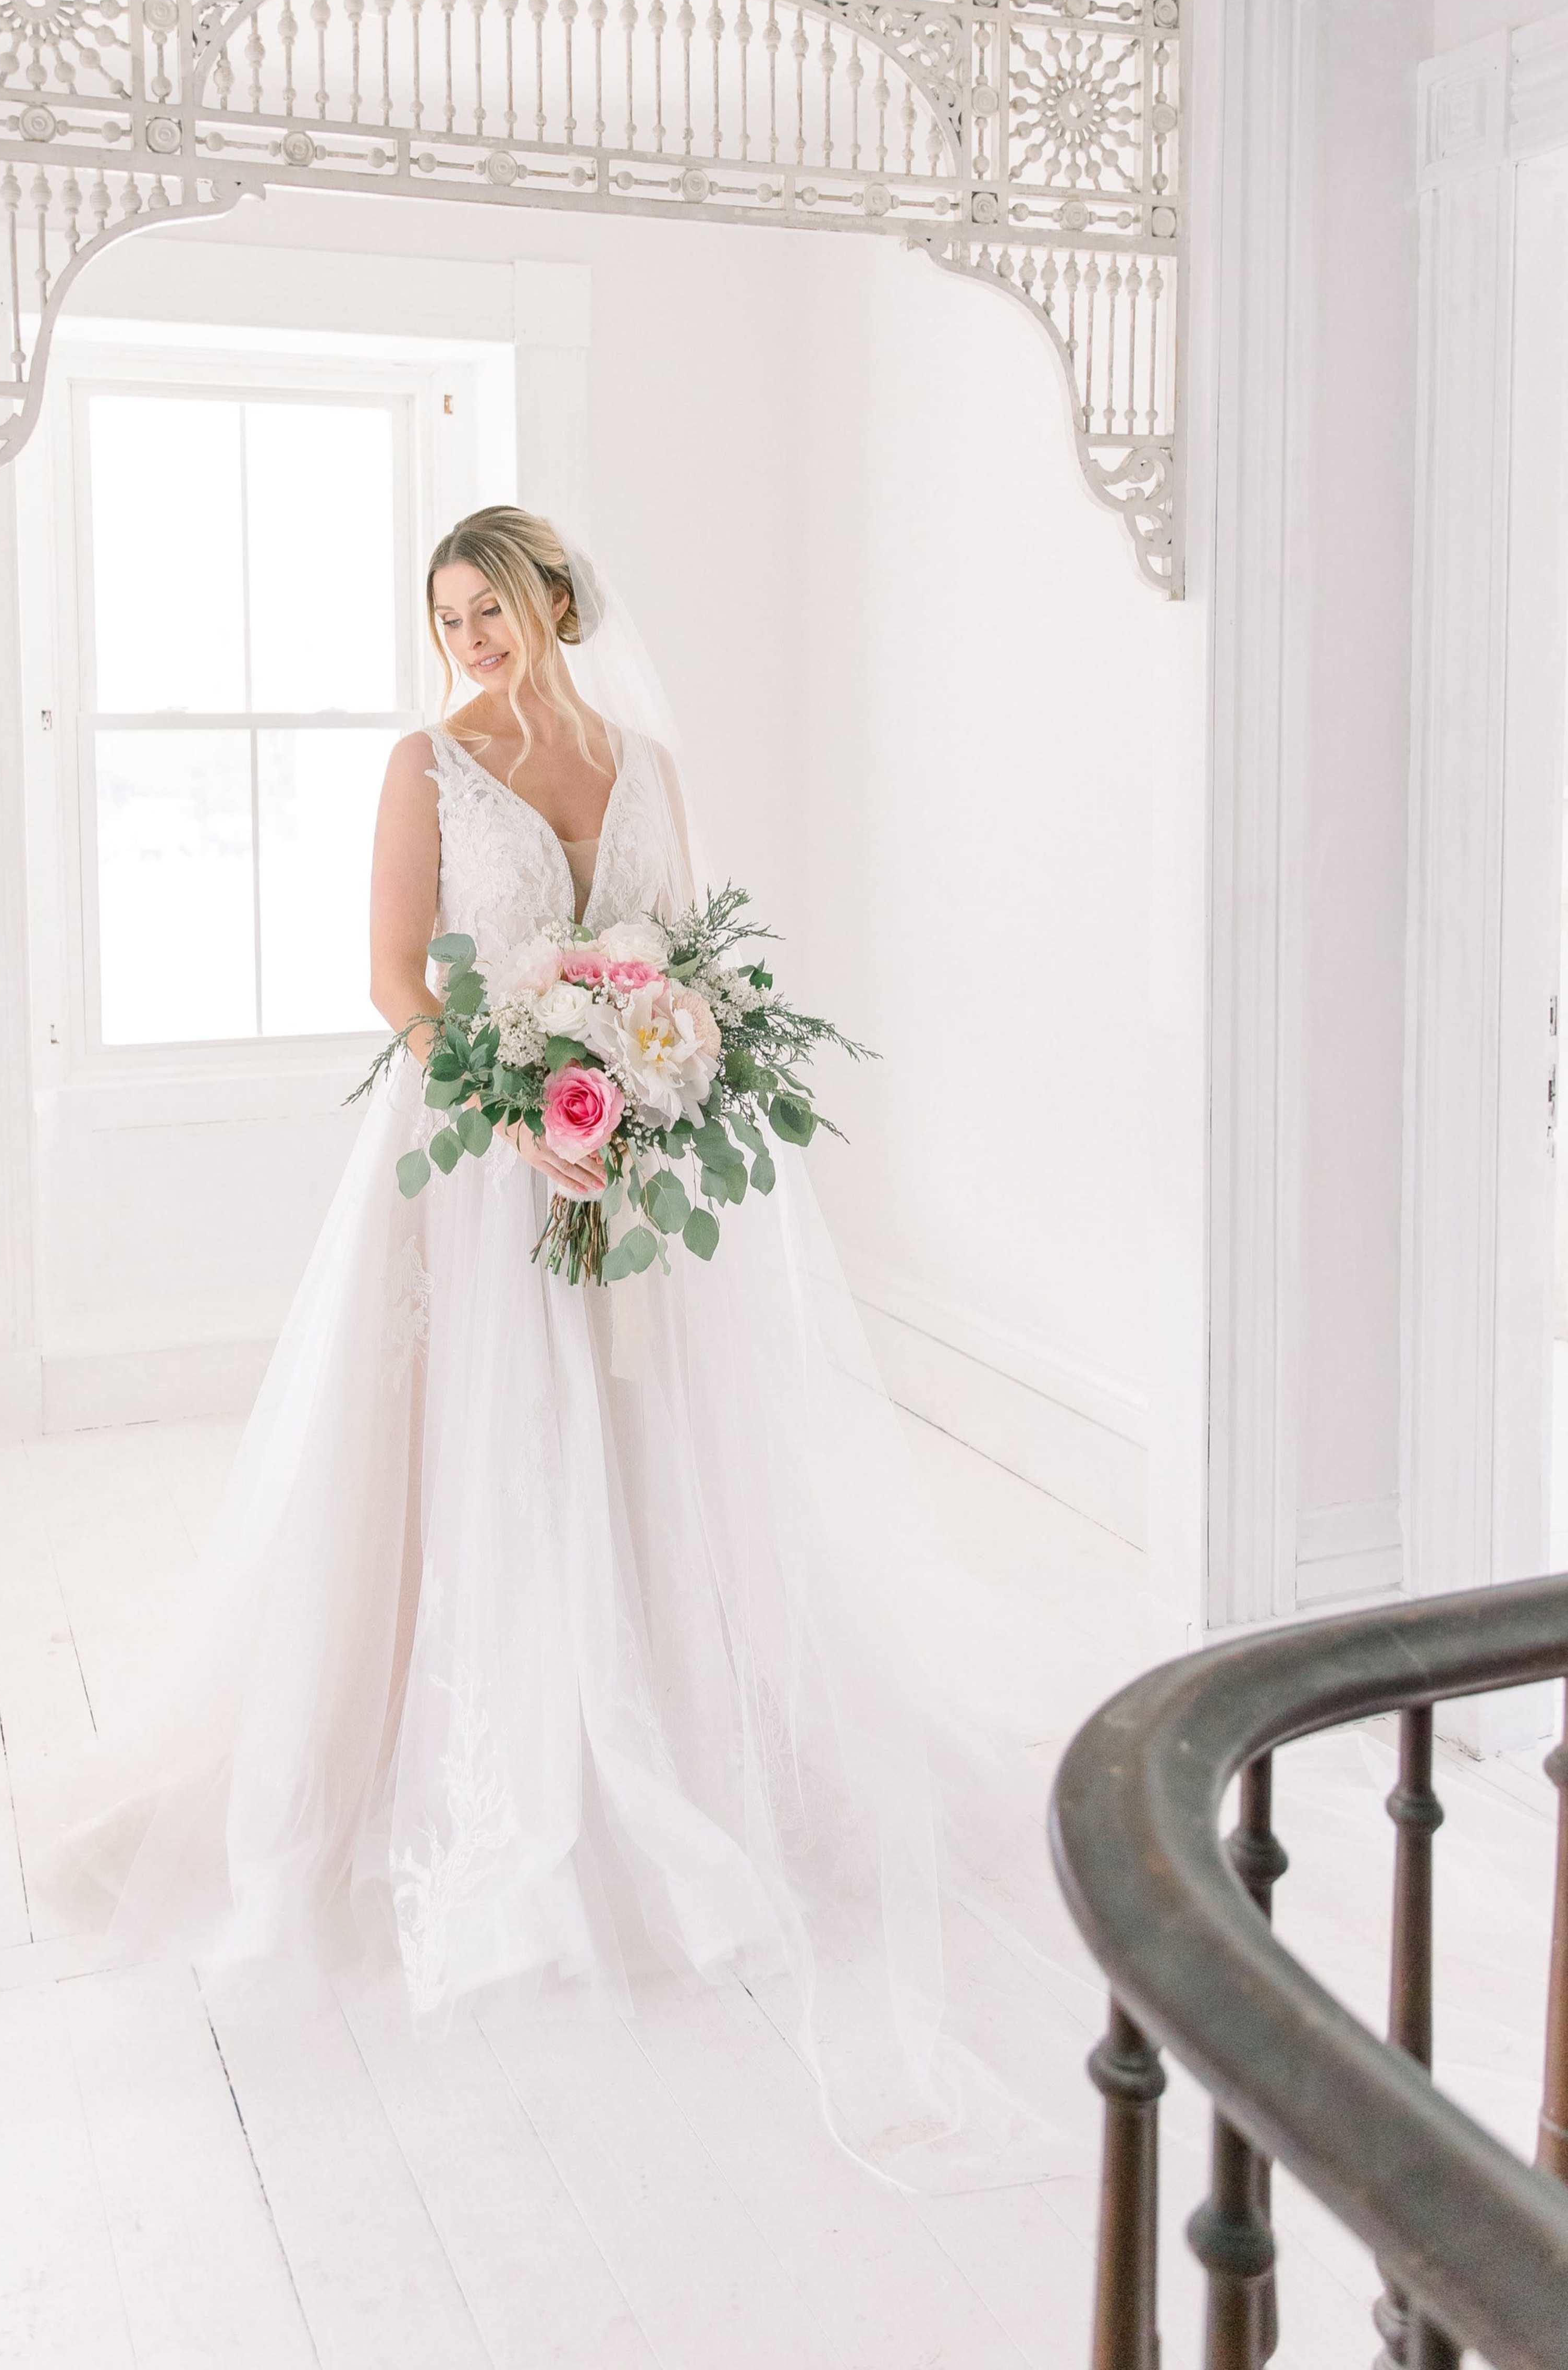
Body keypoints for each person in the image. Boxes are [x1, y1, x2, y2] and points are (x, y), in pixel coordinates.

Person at [59, 504, 1030, 2181]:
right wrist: (527, 1111)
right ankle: (508, 1765)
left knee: (664, 1440)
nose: (468, 638)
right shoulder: (424, 765)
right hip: (475, 1169)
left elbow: (694, 962)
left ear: (553, 598)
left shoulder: (645, 760)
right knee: (491, 1448)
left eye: (489, 606)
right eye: (446, 614)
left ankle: (677, 1718)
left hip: (636, 1160)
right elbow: (395, 980)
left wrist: (656, 1071)